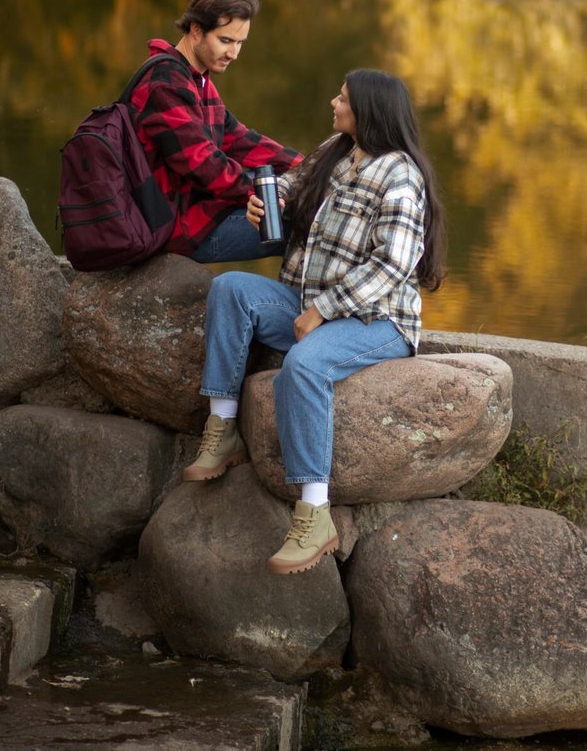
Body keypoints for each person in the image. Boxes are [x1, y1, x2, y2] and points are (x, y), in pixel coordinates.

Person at [181, 68, 447, 574]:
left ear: (367, 110)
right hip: (308, 300)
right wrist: (271, 201)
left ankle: (314, 513)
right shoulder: (338, 151)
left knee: (303, 365)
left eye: (342, 98)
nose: (333, 101)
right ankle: (222, 430)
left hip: (377, 320)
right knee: (232, 288)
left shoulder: (400, 176)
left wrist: (322, 312)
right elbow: (290, 180)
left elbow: (394, 264)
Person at [129, 0, 302, 264]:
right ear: (196, 30)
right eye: (225, 41)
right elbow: (201, 163)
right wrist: (257, 193)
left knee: (298, 208)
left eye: (240, 43)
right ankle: (305, 308)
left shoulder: (196, 78)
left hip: (196, 213)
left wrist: (308, 166)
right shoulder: (166, 83)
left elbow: (239, 139)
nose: (234, 54)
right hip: (175, 227)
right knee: (303, 227)